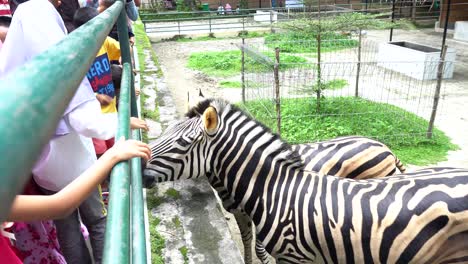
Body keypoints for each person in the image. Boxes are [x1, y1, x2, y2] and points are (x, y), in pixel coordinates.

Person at [0, 0, 148, 262]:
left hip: (40, 157)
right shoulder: (37, 11)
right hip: (69, 158)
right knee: (99, 221)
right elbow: (82, 115)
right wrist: (120, 123)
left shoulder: (23, 13)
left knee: (67, 229)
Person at [1, 138, 151, 263]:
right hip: (79, 169)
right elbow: (59, 205)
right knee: (98, 220)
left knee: (67, 231)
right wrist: (111, 156)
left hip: (46, 178)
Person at [74, 7, 121, 158]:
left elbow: (122, 50)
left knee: (115, 149)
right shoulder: (76, 51)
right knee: (100, 154)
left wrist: (125, 62)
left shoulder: (104, 41)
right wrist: (96, 96)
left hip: (111, 110)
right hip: (93, 115)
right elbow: (74, 87)